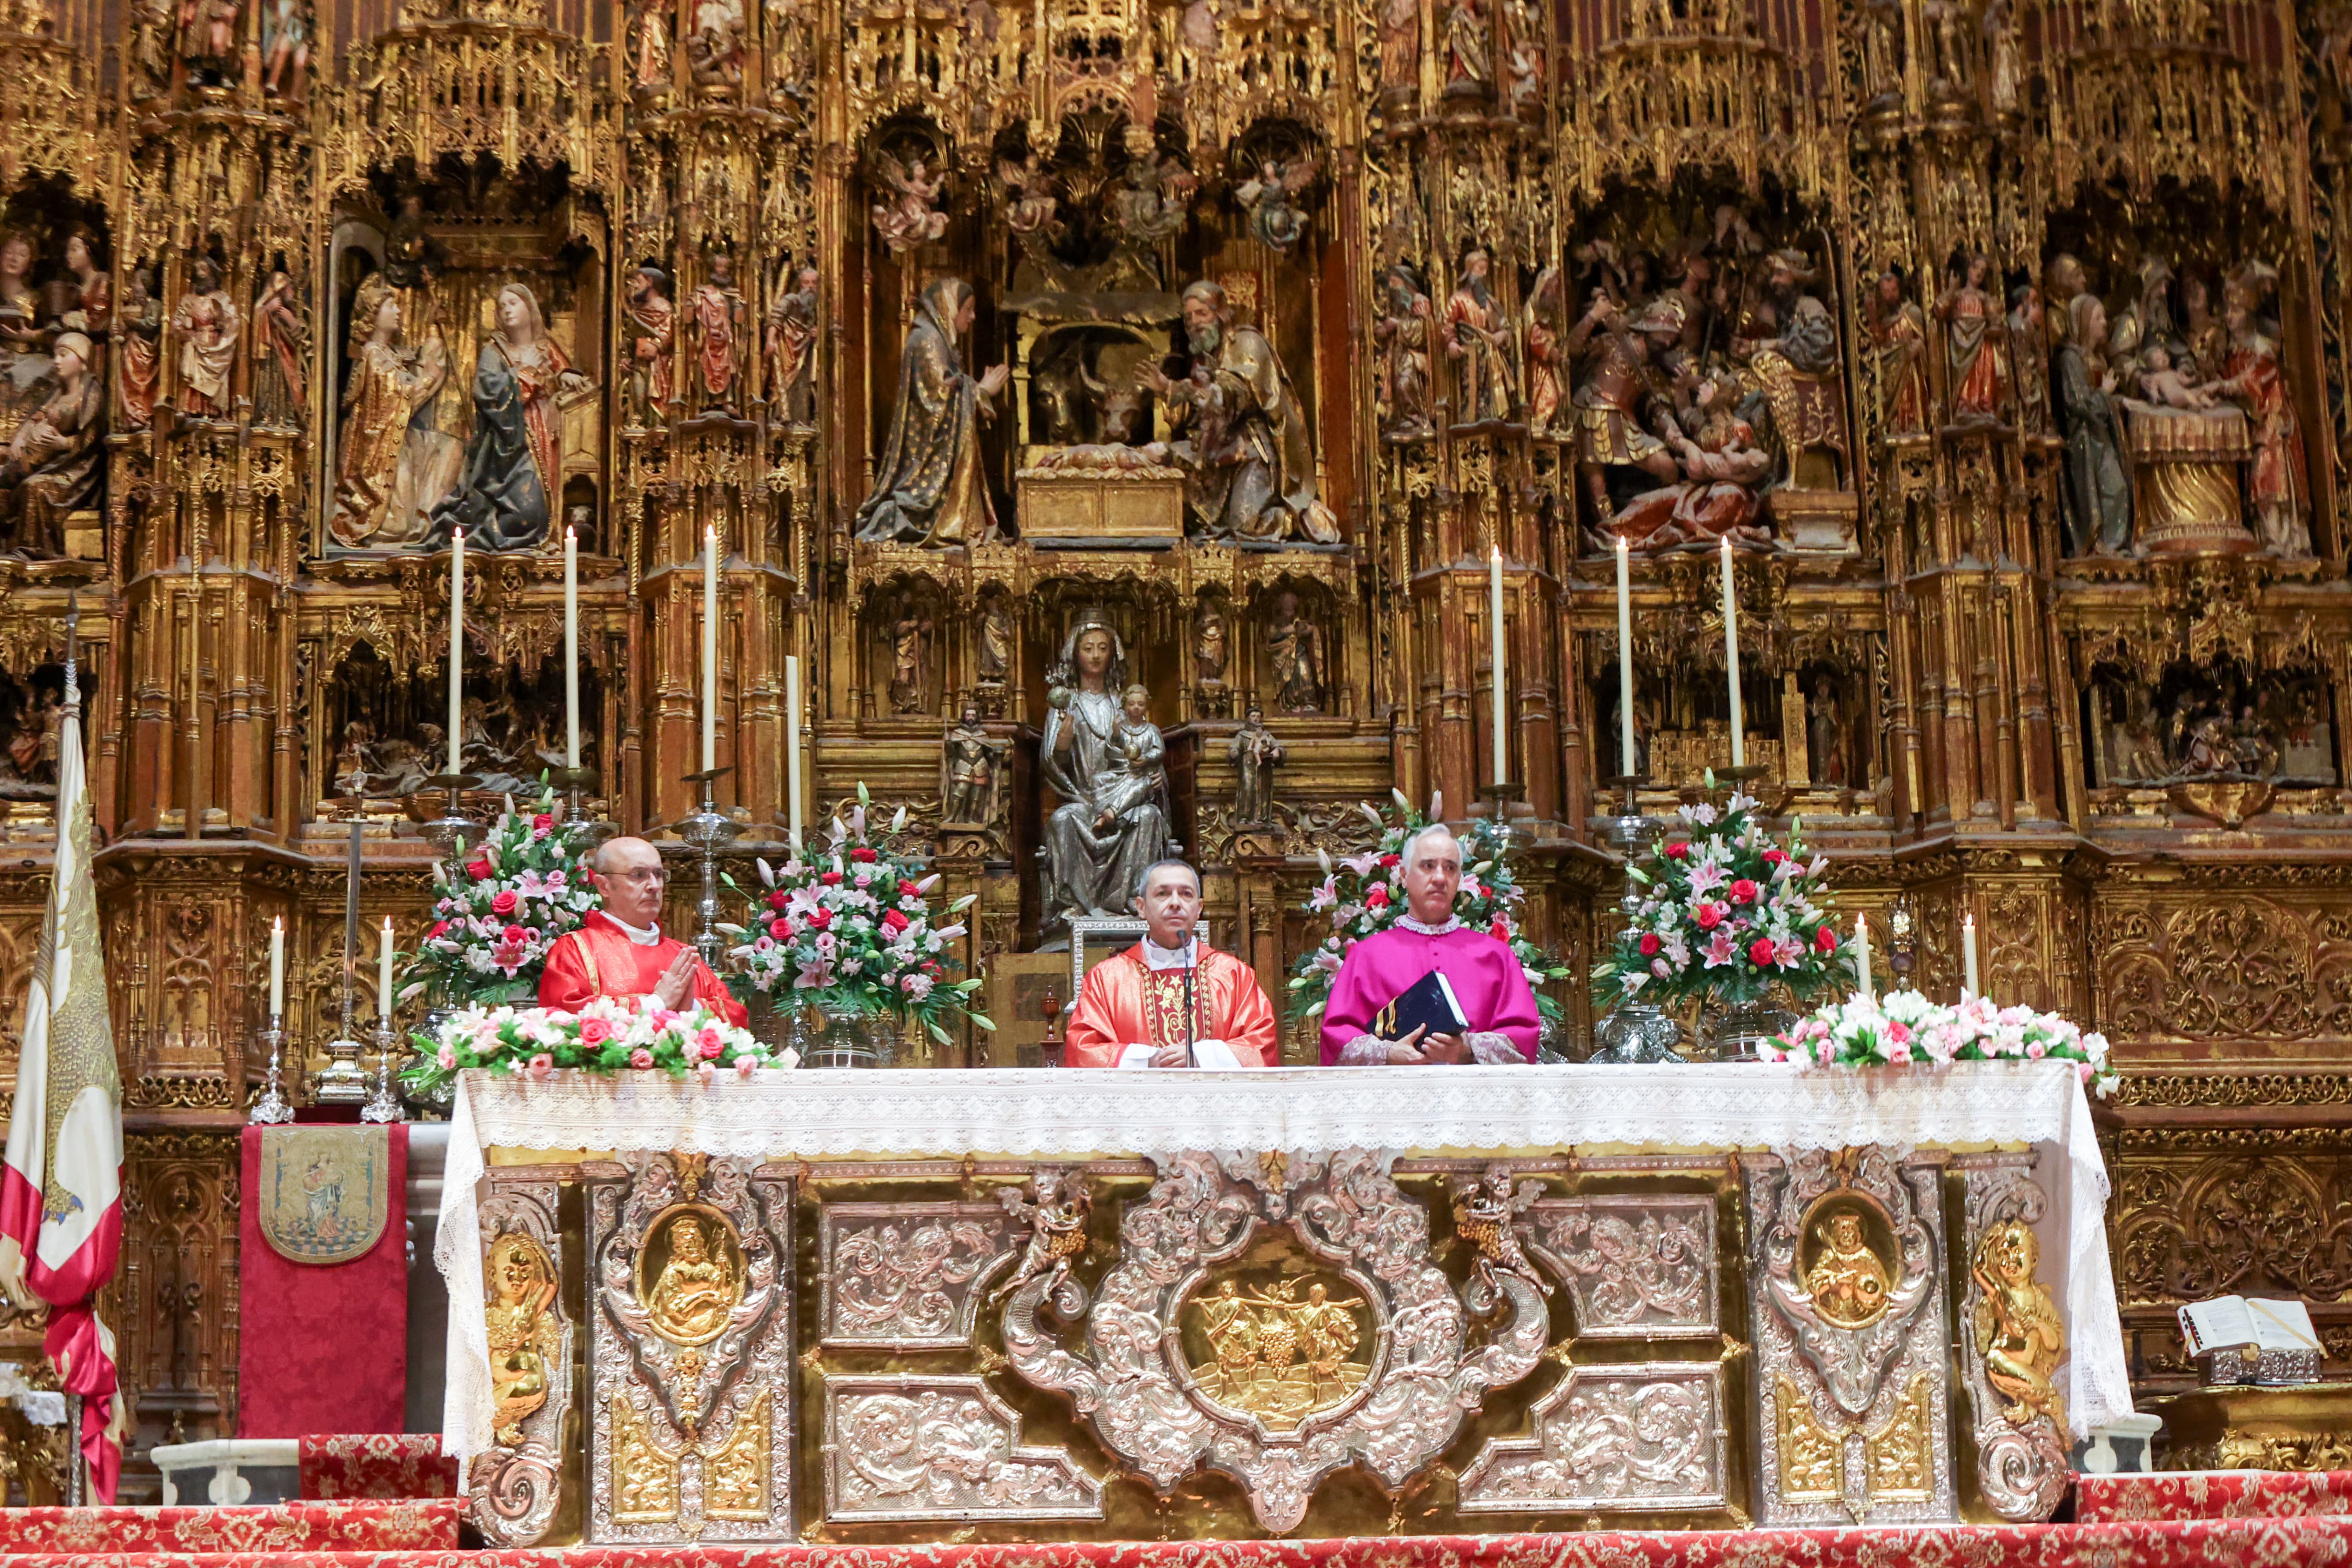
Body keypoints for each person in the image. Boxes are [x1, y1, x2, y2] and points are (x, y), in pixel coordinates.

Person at [1319, 823, 1538, 1065]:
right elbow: (1337, 1041)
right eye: (1428, 866)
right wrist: (1388, 1054)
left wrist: (1468, 1049)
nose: (1440, 878)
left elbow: (1523, 1040)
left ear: (1460, 879)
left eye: (1450, 868)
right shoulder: (1366, 956)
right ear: (1404, 875)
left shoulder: (1496, 955)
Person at [1065, 859, 1277, 1068]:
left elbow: (1262, 1045)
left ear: (1199, 908)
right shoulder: (1106, 979)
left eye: (1186, 894)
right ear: (1141, 907)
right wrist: (1147, 1060)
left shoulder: (1234, 975)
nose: (1175, 903)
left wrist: (1201, 1057)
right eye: (1162, 893)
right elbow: (1083, 1049)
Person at [537, 836, 748, 1024]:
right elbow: (561, 1016)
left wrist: (692, 1009)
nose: (654, 885)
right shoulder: (575, 949)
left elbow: (736, 1016)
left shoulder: (682, 957)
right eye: (639, 875)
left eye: (658, 874)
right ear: (604, 886)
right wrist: (657, 1003)